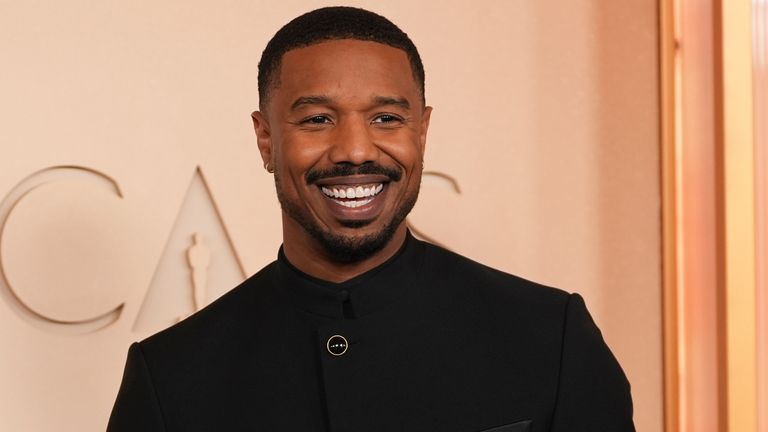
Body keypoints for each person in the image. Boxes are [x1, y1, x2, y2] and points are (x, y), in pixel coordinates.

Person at [107, 6, 634, 432]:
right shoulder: (172, 377)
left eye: (386, 118)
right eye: (317, 119)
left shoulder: (550, 337)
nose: (356, 150)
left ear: (422, 132)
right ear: (265, 138)